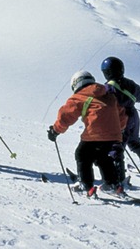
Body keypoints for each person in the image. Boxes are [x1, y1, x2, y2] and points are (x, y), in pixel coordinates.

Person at [47, 70, 127, 198]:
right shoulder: (108, 94)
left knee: (82, 154)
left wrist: (55, 130)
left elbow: (66, 116)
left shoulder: (80, 96)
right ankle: (112, 184)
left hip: (95, 133)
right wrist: (117, 129)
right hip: (114, 134)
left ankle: (86, 185)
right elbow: (121, 114)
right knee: (103, 157)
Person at [101, 56, 140, 180]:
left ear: (107, 72)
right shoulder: (130, 83)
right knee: (134, 141)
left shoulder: (107, 88)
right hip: (134, 116)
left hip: (120, 118)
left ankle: (119, 178)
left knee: (117, 146)